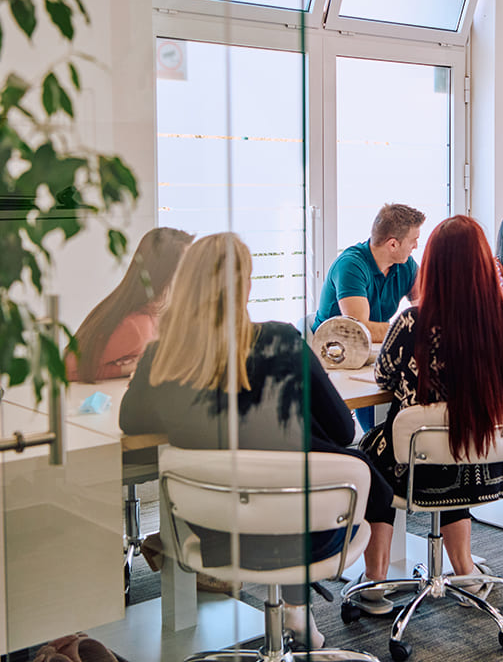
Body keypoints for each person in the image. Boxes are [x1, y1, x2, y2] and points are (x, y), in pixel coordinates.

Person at [119, 233, 394, 650]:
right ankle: (297, 610)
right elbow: (342, 430)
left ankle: (289, 613)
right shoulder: (284, 341)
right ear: (246, 286)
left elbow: (130, 421)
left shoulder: (162, 356)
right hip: (312, 532)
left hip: (214, 531)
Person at [349, 215, 503, 612]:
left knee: (371, 457)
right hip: (485, 461)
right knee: (453, 439)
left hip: (418, 466)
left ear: (433, 265)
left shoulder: (414, 322)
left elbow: (383, 374)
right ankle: (465, 570)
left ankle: (376, 581)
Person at [312, 203, 425, 430]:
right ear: (393, 244)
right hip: (336, 357)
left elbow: (427, 312)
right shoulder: (351, 265)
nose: (416, 245)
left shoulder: (406, 266)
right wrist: (405, 330)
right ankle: (373, 444)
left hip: (376, 353)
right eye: (413, 240)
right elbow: (359, 332)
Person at [66, 227, 193, 382]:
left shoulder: (158, 313)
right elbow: (68, 368)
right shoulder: (136, 326)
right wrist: (129, 368)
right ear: (165, 272)